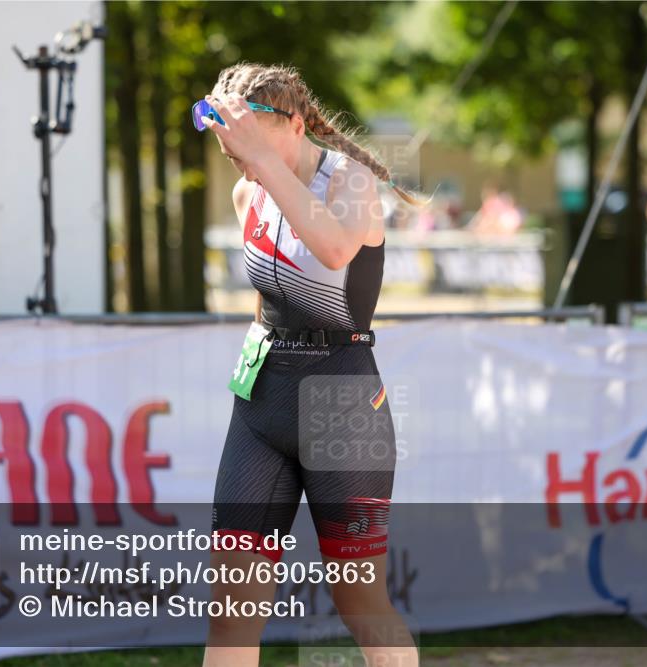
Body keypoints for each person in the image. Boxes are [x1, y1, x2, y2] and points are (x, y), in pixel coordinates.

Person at [194, 62, 420, 667]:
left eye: (245, 142)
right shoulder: (250, 190)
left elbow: (335, 249)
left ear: (294, 124)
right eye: (227, 146)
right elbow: (271, 296)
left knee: (359, 601)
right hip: (264, 405)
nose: (237, 160)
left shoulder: (348, 181)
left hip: (340, 402)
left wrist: (265, 166)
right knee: (232, 607)